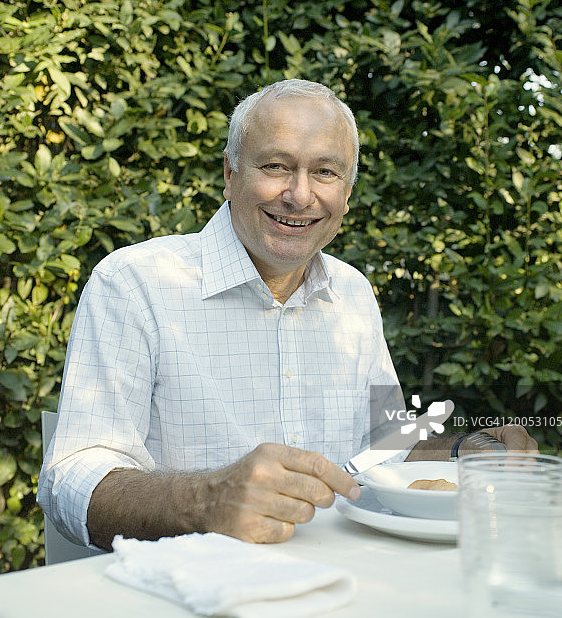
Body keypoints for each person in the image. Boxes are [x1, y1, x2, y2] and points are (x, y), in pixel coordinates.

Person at [38, 79, 535, 550]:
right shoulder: (134, 283)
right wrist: (205, 501)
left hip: (346, 582)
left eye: (325, 172)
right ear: (230, 175)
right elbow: (71, 476)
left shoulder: (353, 293)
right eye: (276, 166)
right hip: (187, 595)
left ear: (346, 193)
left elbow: (383, 447)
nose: (300, 194)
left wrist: (465, 453)